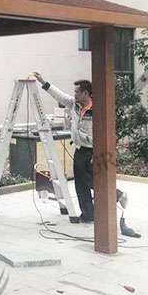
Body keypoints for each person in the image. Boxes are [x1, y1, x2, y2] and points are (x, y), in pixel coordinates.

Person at [33, 73, 127, 223]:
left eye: (77, 92)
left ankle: (116, 194)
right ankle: (88, 215)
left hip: (94, 150)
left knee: (92, 181)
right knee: (81, 183)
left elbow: (105, 131)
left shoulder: (98, 109)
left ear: (85, 93)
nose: (74, 94)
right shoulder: (74, 105)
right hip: (80, 149)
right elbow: (59, 96)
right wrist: (43, 82)